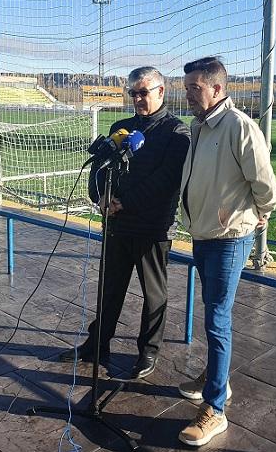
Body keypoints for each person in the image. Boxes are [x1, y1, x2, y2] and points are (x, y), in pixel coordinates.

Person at [58, 67, 190, 380]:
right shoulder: (122, 127)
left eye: (143, 92)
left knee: (153, 294)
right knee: (110, 288)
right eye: (133, 92)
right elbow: (101, 169)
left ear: (161, 91)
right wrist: (100, 197)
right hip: (116, 223)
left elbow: (166, 182)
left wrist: (124, 202)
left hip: (152, 227)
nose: (137, 98)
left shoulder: (176, 133)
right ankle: (97, 344)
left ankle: (148, 352)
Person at [176, 57, 276, 446]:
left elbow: (265, 184)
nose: (186, 94)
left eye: (194, 88)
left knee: (217, 318)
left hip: (229, 237)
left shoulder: (239, 127)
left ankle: (215, 408)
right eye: (186, 87)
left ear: (217, 89)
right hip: (203, 233)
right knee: (212, 314)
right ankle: (217, 378)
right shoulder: (200, 126)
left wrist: (258, 217)